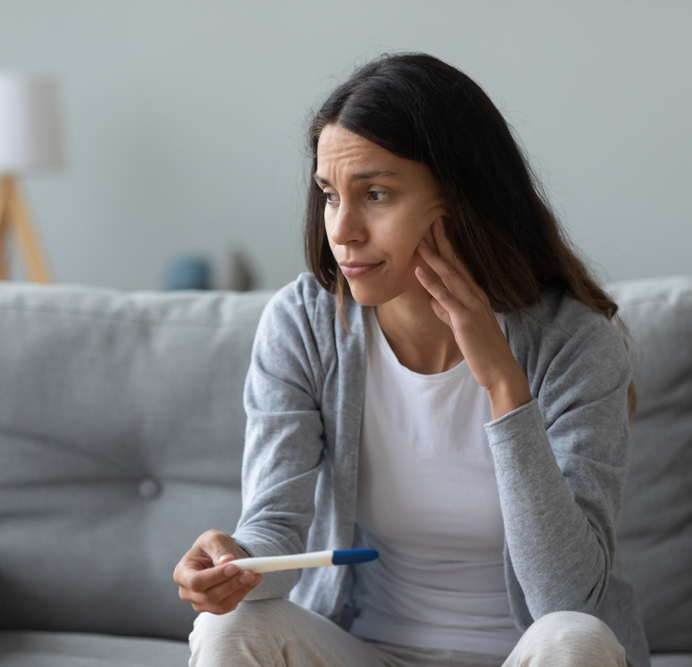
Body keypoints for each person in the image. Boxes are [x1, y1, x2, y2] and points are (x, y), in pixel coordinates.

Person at [174, 52, 650, 667]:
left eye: (375, 194)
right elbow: (276, 529)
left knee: (574, 639)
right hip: (363, 650)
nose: (342, 229)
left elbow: (567, 595)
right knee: (230, 630)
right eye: (328, 194)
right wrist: (233, 565)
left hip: (526, 657)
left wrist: (503, 382)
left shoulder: (573, 343)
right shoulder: (306, 325)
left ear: (458, 198)